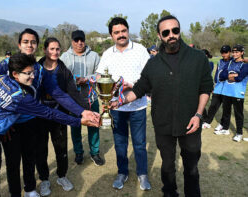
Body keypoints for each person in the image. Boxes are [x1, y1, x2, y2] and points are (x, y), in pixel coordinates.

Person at [0, 53, 99, 197]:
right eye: (28, 73)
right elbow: (49, 113)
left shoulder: (1, 78)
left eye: (33, 72)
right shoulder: (19, 97)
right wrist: (78, 121)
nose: (32, 76)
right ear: (15, 74)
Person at [111, 15, 213, 196]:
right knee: (167, 165)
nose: (171, 35)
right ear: (160, 36)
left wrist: (198, 115)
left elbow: (206, 88)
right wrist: (119, 101)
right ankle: (169, 192)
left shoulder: (198, 58)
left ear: (179, 31)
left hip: (191, 122)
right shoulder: (153, 64)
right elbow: (139, 89)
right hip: (163, 124)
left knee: (191, 167)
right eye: (166, 32)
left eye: (175, 30)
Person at [96, 17, 151, 191]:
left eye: (123, 31)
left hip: (137, 106)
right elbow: (99, 76)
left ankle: (142, 174)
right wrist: (105, 90)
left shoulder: (140, 50)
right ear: (111, 35)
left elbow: (149, 77)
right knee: (120, 143)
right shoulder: (107, 54)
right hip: (116, 107)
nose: (121, 35)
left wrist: (132, 85)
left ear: (128, 31)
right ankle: (122, 172)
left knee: (140, 143)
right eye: (116, 32)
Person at [35, 37, 89, 195]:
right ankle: (44, 179)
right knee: (41, 149)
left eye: (57, 49)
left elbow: (72, 92)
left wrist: (85, 109)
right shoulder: (36, 68)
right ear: (45, 50)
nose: (54, 52)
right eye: (51, 49)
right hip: (40, 117)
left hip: (59, 116)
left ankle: (62, 175)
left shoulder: (64, 70)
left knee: (61, 148)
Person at [60, 30, 104, 166]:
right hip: (73, 101)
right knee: (75, 127)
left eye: (82, 40)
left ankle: (95, 152)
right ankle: (79, 152)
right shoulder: (65, 57)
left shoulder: (94, 56)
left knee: (94, 125)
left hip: (91, 98)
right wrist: (73, 80)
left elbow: (100, 74)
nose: (79, 43)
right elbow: (60, 75)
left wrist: (88, 79)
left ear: (85, 40)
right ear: (72, 41)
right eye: (76, 40)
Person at [218, 44, 248, 142]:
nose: (234, 54)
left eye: (237, 52)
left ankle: (239, 133)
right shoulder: (230, 62)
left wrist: (231, 75)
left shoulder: (245, 65)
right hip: (227, 91)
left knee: (238, 114)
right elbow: (222, 75)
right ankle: (226, 129)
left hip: (237, 93)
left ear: (242, 53)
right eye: (233, 52)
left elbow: (239, 78)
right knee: (226, 112)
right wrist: (232, 75)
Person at [202, 45, 232, 131]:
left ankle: (222, 124)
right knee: (213, 105)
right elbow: (217, 73)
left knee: (226, 108)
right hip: (218, 87)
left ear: (230, 52)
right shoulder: (220, 61)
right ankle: (207, 122)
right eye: (222, 52)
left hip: (228, 88)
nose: (223, 54)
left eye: (225, 52)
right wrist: (215, 83)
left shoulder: (233, 61)